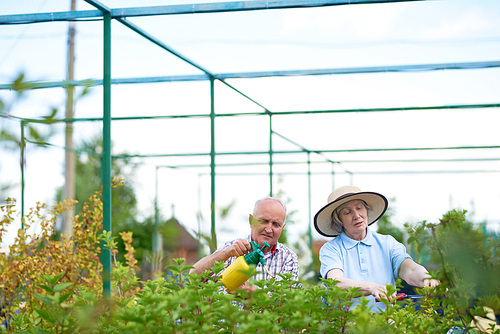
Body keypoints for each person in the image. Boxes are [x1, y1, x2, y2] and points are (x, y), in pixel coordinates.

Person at [314, 185, 440, 312]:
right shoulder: (331, 249)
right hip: (346, 323)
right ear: (339, 220)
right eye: (347, 212)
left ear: (366, 210)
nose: (357, 215)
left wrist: (427, 279)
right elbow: (336, 284)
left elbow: (409, 269)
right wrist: (371, 288)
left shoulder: (387, 243)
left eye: (359, 208)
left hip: (386, 321)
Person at [190, 196, 300, 294]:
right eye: (264, 221)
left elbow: (285, 302)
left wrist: (254, 295)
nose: (268, 229)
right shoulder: (232, 248)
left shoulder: (288, 257)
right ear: (251, 221)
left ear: (282, 227)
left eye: (276, 224)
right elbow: (194, 277)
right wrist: (226, 253)